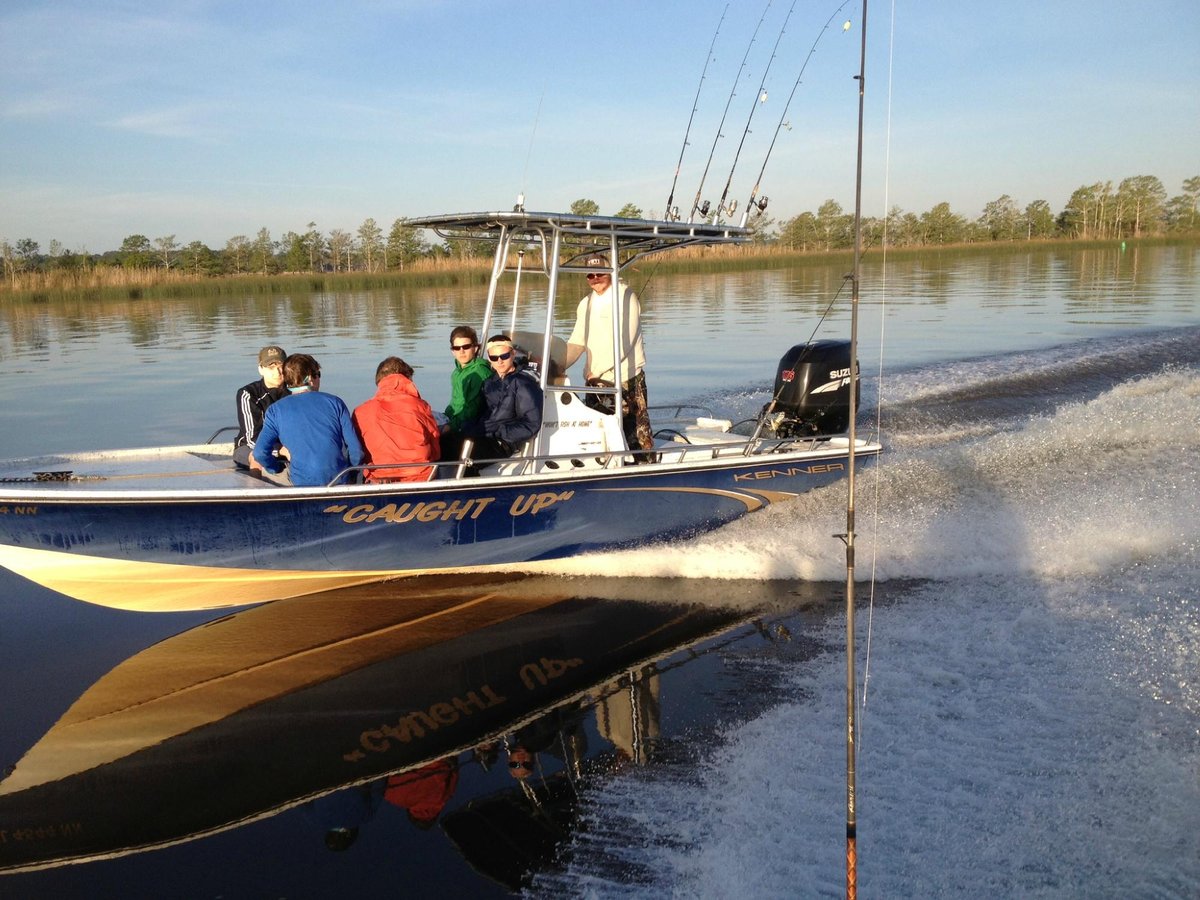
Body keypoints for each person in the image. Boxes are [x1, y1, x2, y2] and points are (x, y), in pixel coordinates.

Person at [562, 254, 653, 453]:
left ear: (611, 272)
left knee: (636, 438)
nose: (595, 278)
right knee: (599, 438)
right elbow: (577, 342)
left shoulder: (626, 297)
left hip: (626, 379)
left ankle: (644, 466)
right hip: (594, 383)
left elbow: (624, 343)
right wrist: (555, 366)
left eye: (600, 273)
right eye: (590, 275)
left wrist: (598, 372)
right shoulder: (585, 303)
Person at [252, 354, 364, 486]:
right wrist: (349, 473)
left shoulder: (274, 410)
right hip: (339, 478)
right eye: (318, 374)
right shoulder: (335, 403)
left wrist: (275, 468)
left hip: (299, 481)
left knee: (264, 471)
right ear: (310, 378)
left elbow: (259, 453)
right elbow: (356, 451)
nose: (319, 379)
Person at [352, 356, 440, 482]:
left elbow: (359, 453)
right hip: (420, 477)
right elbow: (436, 450)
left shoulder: (360, 412)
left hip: (380, 478)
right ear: (407, 379)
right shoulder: (419, 406)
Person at [468, 334, 544, 460]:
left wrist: (499, 432)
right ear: (489, 358)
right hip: (485, 434)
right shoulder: (490, 382)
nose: (499, 361)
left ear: (513, 354)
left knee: (457, 452)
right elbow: (483, 414)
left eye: (504, 356)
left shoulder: (523, 383)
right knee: (446, 441)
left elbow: (531, 424)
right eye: (494, 357)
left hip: (505, 442)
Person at [232, 344, 288, 469]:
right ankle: (256, 486)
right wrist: (280, 450)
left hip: (288, 446)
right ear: (261, 369)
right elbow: (252, 438)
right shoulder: (248, 394)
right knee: (257, 457)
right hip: (250, 447)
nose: (278, 372)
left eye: (281, 366)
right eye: (271, 367)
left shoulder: (295, 391)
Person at [441, 325, 493, 443]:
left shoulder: (479, 371)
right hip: (456, 419)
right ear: (452, 351)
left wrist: (450, 426)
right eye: (457, 348)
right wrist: (445, 416)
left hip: (468, 425)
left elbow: (472, 409)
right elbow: (455, 403)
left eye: (466, 346)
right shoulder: (458, 371)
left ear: (475, 348)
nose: (461, 351)